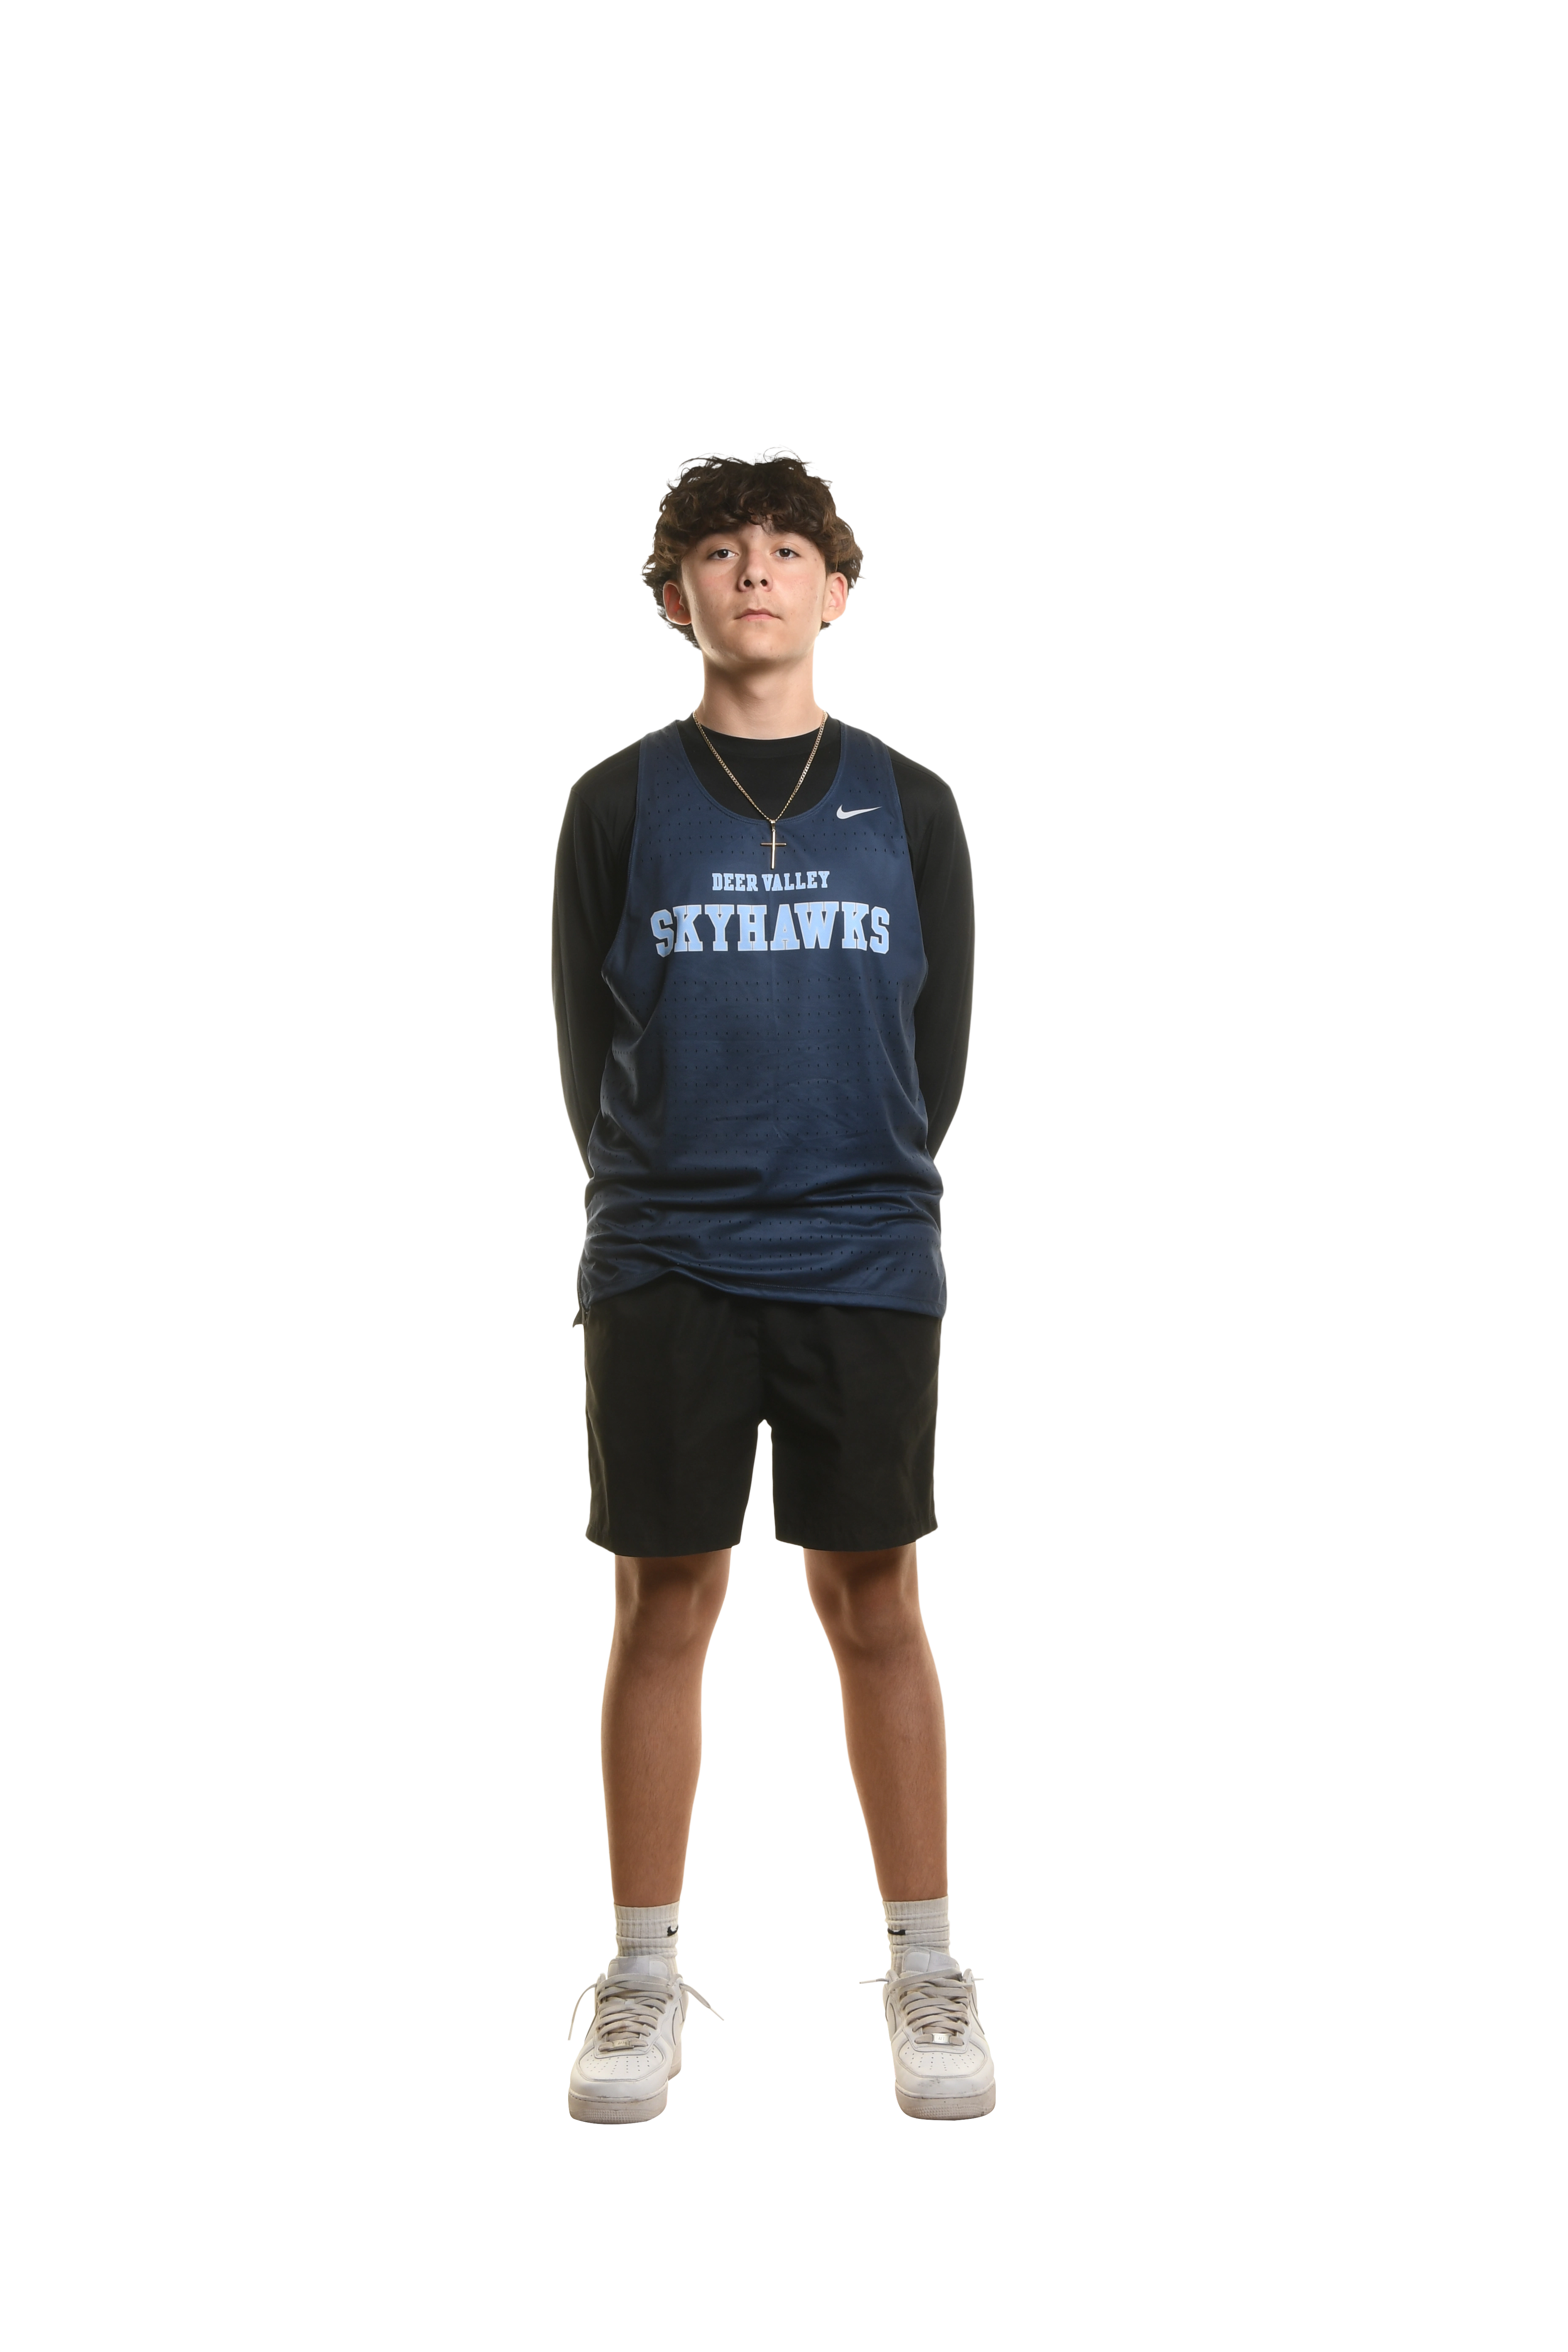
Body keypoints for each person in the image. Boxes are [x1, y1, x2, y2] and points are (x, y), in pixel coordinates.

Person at [552, 446, 992, 2122]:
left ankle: (927, 1974)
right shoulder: (616, 804)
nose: (756, 570)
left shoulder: (914, 804)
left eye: (789, 547)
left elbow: (931, 1060)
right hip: (664, 1259)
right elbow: (589, 1055)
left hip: (863, 1256)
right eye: (721, 548)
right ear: (674, 595)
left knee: (876, 1602)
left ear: (838, 590)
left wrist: (841, 1176)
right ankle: (641, 1983)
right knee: (663, 1604)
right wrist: (679, 1185)